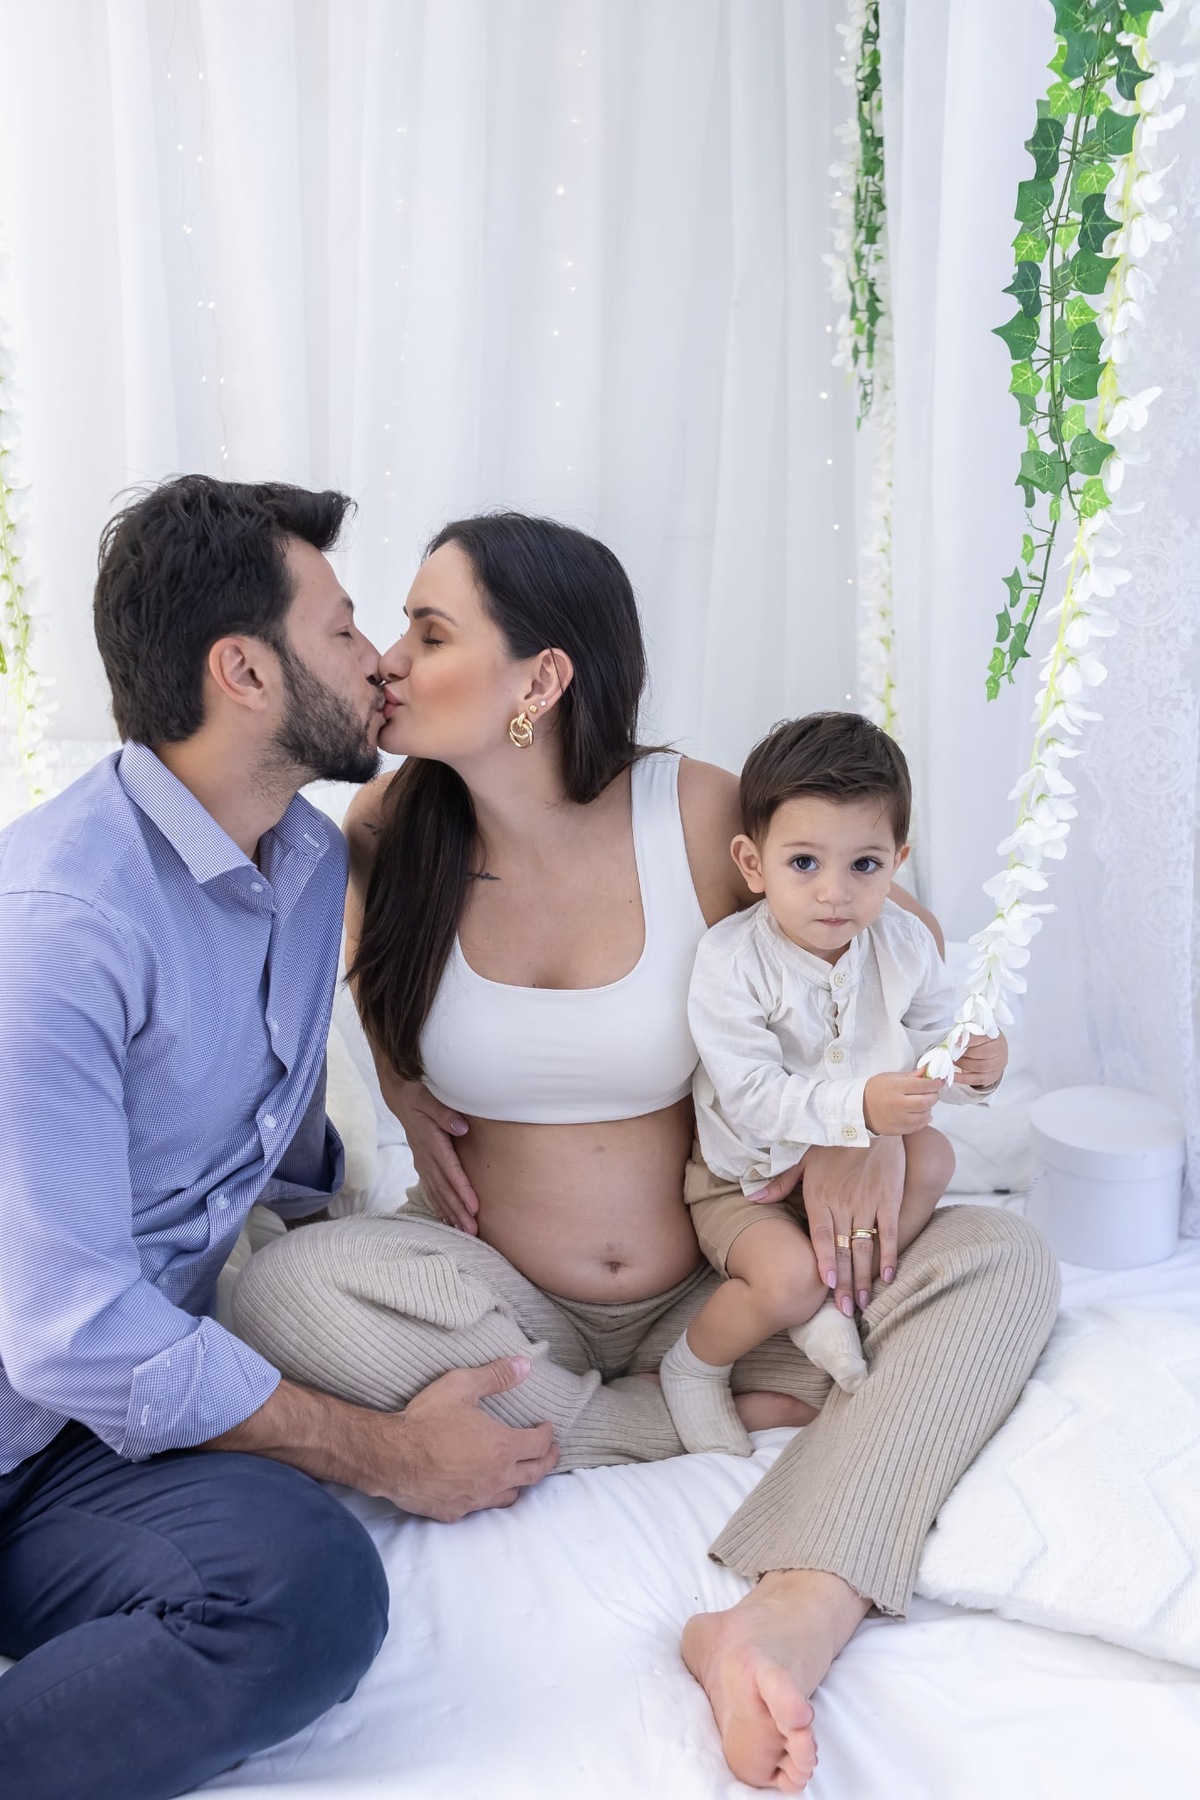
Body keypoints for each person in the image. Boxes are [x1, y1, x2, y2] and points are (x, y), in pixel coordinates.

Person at [232, 510, 1060, 1795]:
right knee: (279, 1288)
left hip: (727, 1293)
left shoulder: (698, 812)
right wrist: (398, 1081)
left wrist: (857, 1132)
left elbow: (892, 923)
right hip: (507, 1311)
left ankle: (790, 1602)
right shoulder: (393, 830)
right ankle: (643, 1427)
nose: (389, 658)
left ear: (543, 680)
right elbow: (295, 977)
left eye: (429, 630)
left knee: (1000, 1262)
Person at [0, 477, 557, 1800]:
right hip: (48, 1378)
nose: (379, 665)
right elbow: (70, 1329)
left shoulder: (307, 867)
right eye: (346, 631)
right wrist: (389, 1452)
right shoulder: (57, 936)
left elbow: (276, 1144)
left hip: (74, 1451)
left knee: (306, 1594)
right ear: (243, 670)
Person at [660, 711, 1008, 1457]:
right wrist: (863, 1109)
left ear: (898, 861)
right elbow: (751, 1093)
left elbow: (934, 1042)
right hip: (745, 1177)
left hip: (854, 1155)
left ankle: (847, 1294)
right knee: (783, 1279)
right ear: (753, 864)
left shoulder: (904, 942)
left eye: (864, 865)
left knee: (939, 1158)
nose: (835, 895)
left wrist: (973, 1066)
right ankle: (693, 1367)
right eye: (805, 863)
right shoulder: (732, 961)